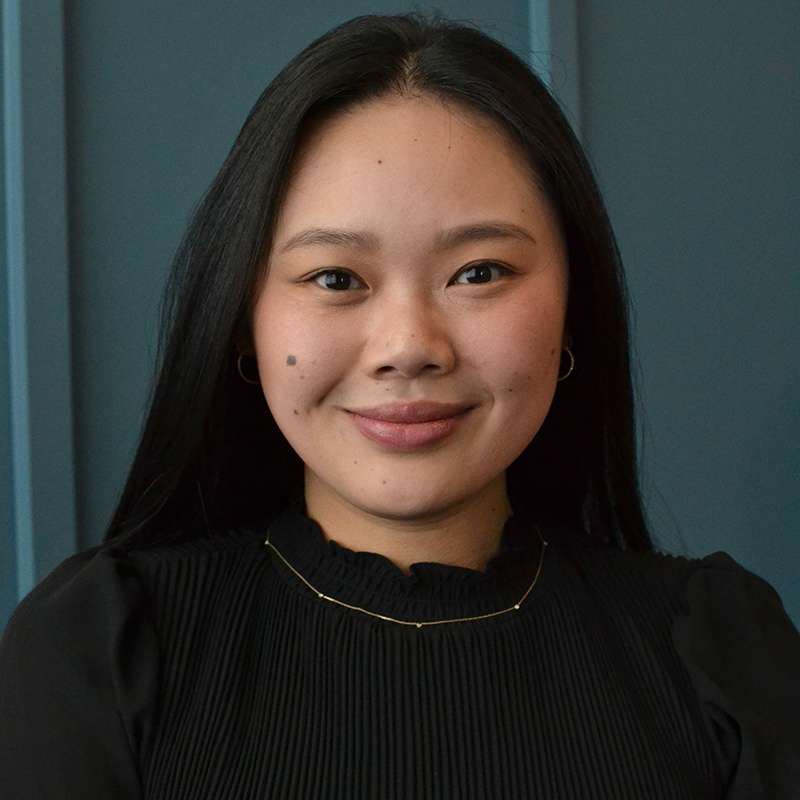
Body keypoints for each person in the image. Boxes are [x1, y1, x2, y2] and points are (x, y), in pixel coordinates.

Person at [1, 13, 798, 799]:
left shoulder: (717, 657)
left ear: (571, 310)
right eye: (336, 278)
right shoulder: (107, 652)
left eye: (479, 272)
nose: (409, 345)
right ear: (244, 321)